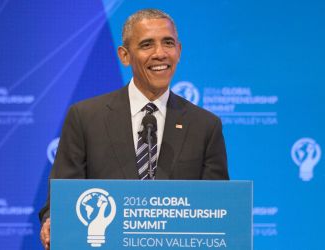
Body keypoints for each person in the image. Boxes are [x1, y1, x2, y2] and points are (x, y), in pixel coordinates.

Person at [39, 9, 229, 249]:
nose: (160, 53)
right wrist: (54, 219)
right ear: (125, 55)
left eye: (168, 43)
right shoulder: (86, 117)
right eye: (147, 45)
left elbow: (219, 208)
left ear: (179, 51)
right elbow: (62, 196)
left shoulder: (205, 125)